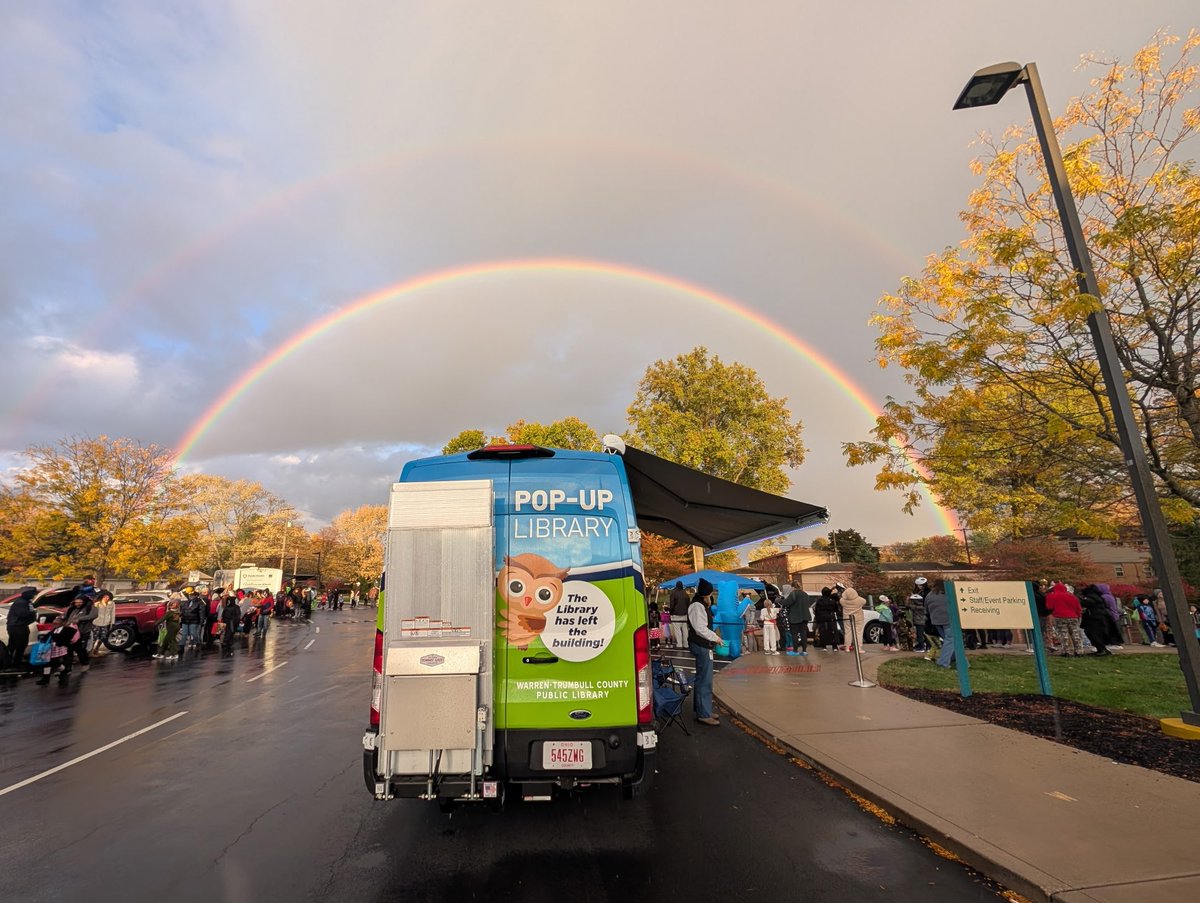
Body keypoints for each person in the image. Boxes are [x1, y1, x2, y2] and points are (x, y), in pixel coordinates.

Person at [687, 578, 723, 726]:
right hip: (701, 645)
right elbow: (700, 628)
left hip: (701, 644)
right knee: (704, 679)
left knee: (702, 678)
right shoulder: (697, 606)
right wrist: (716, 638)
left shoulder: (698, 604)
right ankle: (703, 713)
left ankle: (704, 709)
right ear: (706, 594)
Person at [1046, 582, 1085, 656]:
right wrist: (1078, 616)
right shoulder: (1072, 596)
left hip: (1060, 617)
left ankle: (1066, 651)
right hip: (1073, 617)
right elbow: (1078, 608)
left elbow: (1049, 606)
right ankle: (1079, 651)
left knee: (1063, 634)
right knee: (1075, 634)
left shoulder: (1052, 596)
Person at [62, 591, 97, 673]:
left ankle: (85, 663)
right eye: (76, 602)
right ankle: (68, 668)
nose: (77, 604)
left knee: (80, 649)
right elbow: (65, 616)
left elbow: (93, 615)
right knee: (68, 650)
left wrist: (80, 619)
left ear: (84, 602)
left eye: (80, 602)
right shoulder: (72, 608)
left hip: (83, 631)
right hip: (70, 632)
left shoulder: (90, 608)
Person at [4, 586, 37, 670]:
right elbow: (23, 614)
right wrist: (33, 613)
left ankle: (15, 662)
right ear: (27, 594)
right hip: (16, 627)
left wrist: (32, 614)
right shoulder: (20, 602)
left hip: (21, 626)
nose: (33, 595)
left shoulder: (27, 602)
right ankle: (11, 663)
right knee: (16, 645)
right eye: (32, 594)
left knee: (21, 645)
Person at [927, 581, 956, 668]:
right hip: (948, 619)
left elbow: (926, 609)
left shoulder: (929, 595)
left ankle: (958, 659)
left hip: (936, 621)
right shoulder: (947, 594)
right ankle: (943, 662)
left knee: (949, 640)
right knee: (951, 640)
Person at [1079, 585, 1113, 656]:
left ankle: (1101, 649)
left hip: (1094, 618)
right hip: (1097, 617)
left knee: (1094, 634)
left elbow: (1085, 603)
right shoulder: (1097, 596)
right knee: (1094, 633)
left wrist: (1078, 599)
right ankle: (1101, 649)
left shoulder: (1091, 596)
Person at [782, 585, 814, 656]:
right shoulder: (805, 594)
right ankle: (804, 651)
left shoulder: (793, 593)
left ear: (793, 587)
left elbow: (787, 602)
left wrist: (779, 601)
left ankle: (795, 650)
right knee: (803, 634)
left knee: (794, 634)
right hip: (805, 616)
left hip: (795, 617)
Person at [838, 585, 865, 653]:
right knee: (859, 633)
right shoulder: (860, 600)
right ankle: (859, 648)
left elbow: (841, 599)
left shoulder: (842, 601)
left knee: (848, 632)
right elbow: (864, 601)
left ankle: (847, 647)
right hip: (859, 618)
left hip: (847, 618)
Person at [179, 587, 206, 654]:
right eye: (189, 595)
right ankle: (181, 647)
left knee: (193, 633)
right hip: (185, 620)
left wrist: (201, 621)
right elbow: (183, 610)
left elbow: (201, 613)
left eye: (192, 595)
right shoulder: (186, 602)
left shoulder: (199, 602)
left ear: (195, 595)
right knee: (184, 634)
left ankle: (197, 643)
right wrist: (180, 615)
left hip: (194, 620)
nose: (190, 596)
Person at [814, 587, 840, 652]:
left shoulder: (819, 600)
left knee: (822, 632)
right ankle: (834, 646)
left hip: (821, 618)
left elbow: (816, 610)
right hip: (831, 617)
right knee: (833, 631)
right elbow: (836, 609)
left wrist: (817, 618)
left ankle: (824, 646)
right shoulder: (832, 600)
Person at [90, 590, 115, 654]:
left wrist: (112, 622)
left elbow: (112, 613)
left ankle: (96, 649)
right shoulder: (97, 603)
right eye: (105, 596)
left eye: (108, 597)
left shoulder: (112, 603)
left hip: (106, 623)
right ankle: (90, 651)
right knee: (94, 637)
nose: (106, 598)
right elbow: (92, 613)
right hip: (96, 622)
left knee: (103, 637)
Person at [907, 581, 929, 653]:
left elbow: (907, 605)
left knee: (920, 635)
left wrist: (908, 599)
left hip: (919, 622)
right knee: (925, 634)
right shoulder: (923, 606)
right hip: (924, 621)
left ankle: (921, 647)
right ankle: (928, 646)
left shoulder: (915, 607)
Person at [668, 581, 690, 648]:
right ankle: (686, 644)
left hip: (676, 614)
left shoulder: (673, 593)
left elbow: (672, 604)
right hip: (685, 614)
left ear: (676, 585)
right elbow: (688, 604)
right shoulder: (685, 594)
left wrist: (671, 613)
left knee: (678, 630)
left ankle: (679, 644)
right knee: (685, 630)